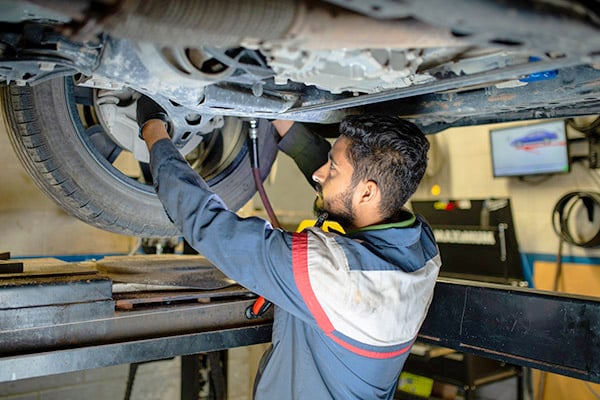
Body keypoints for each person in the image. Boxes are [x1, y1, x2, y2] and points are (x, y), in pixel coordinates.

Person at [137, 97, 441, 400]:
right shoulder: (421, 247)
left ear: (367, 192)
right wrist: (279, 117)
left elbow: (208, 224)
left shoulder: (333, 277)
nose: (318, 175)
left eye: (331, 169)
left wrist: (153, 130)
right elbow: (346, 191)